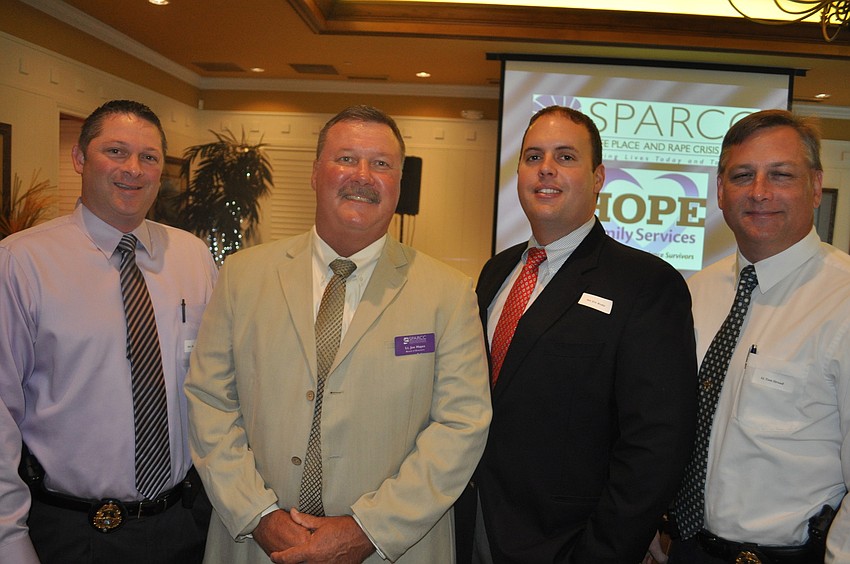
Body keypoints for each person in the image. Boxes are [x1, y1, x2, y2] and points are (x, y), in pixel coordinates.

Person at [184, 104, 492, 563]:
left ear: (399, 183)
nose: (363, 175)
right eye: (346, 158)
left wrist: (367, 530)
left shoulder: (448, 294)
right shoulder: (242, 277)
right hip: (255, 546)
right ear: (314, 173)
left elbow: (460, 427)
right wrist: (260, 515)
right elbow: (211, 403)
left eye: (381, 164)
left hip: (392, 549)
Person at [457, 105, 698, 563]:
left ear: (598, 176)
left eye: (566, 157)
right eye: (533, 157)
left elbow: (656, 447)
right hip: (471, 526)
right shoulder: (495, 272)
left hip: (568, 545)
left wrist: (601, 553)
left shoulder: (646, 284)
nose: (545, 168)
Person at [0, 100, 219, 563]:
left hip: (185, 524)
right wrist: (9, 538)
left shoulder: (192, 257)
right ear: (80, 159)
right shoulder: (21, 263)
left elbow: (218, 382)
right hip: (73, 533)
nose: (133, 170)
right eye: (116, 152)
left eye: (149, 157)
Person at [662, 110, 850, 563]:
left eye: (781, 175)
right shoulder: (694, 293)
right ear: (721, 192)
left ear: (815, 185)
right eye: (743, 175)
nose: (760, 192)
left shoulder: (843, 301)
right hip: (685, 549)